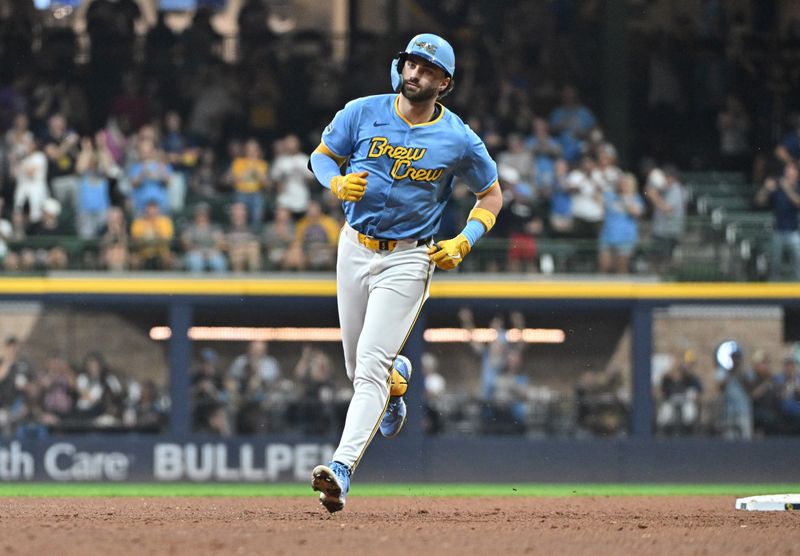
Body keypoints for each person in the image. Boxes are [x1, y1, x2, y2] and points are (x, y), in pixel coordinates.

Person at [307, 33, 502, 513]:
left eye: (427, 69)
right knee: (359, 369)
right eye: (411, 64)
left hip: (410, 256)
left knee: (367, 365)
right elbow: (320, 156)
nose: (415, 73)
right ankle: (396, 383)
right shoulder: (362, 111)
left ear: (445, 82)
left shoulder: (458, 138)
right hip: (354, 245)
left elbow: (492, 195)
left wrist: (465, 239)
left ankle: (342, 469)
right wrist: (333, 181)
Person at [754, 162, 800, 281]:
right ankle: (774, 292)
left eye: (792, 170)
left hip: (794, 232)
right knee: (775, 265)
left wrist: (787, 188)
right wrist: (766, 188)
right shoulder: (778, 188)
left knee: (798, 264)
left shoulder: (797, 188)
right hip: (778, 232)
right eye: (788, 170)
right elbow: (759, 201)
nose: (790, 173)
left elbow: (797, 202)